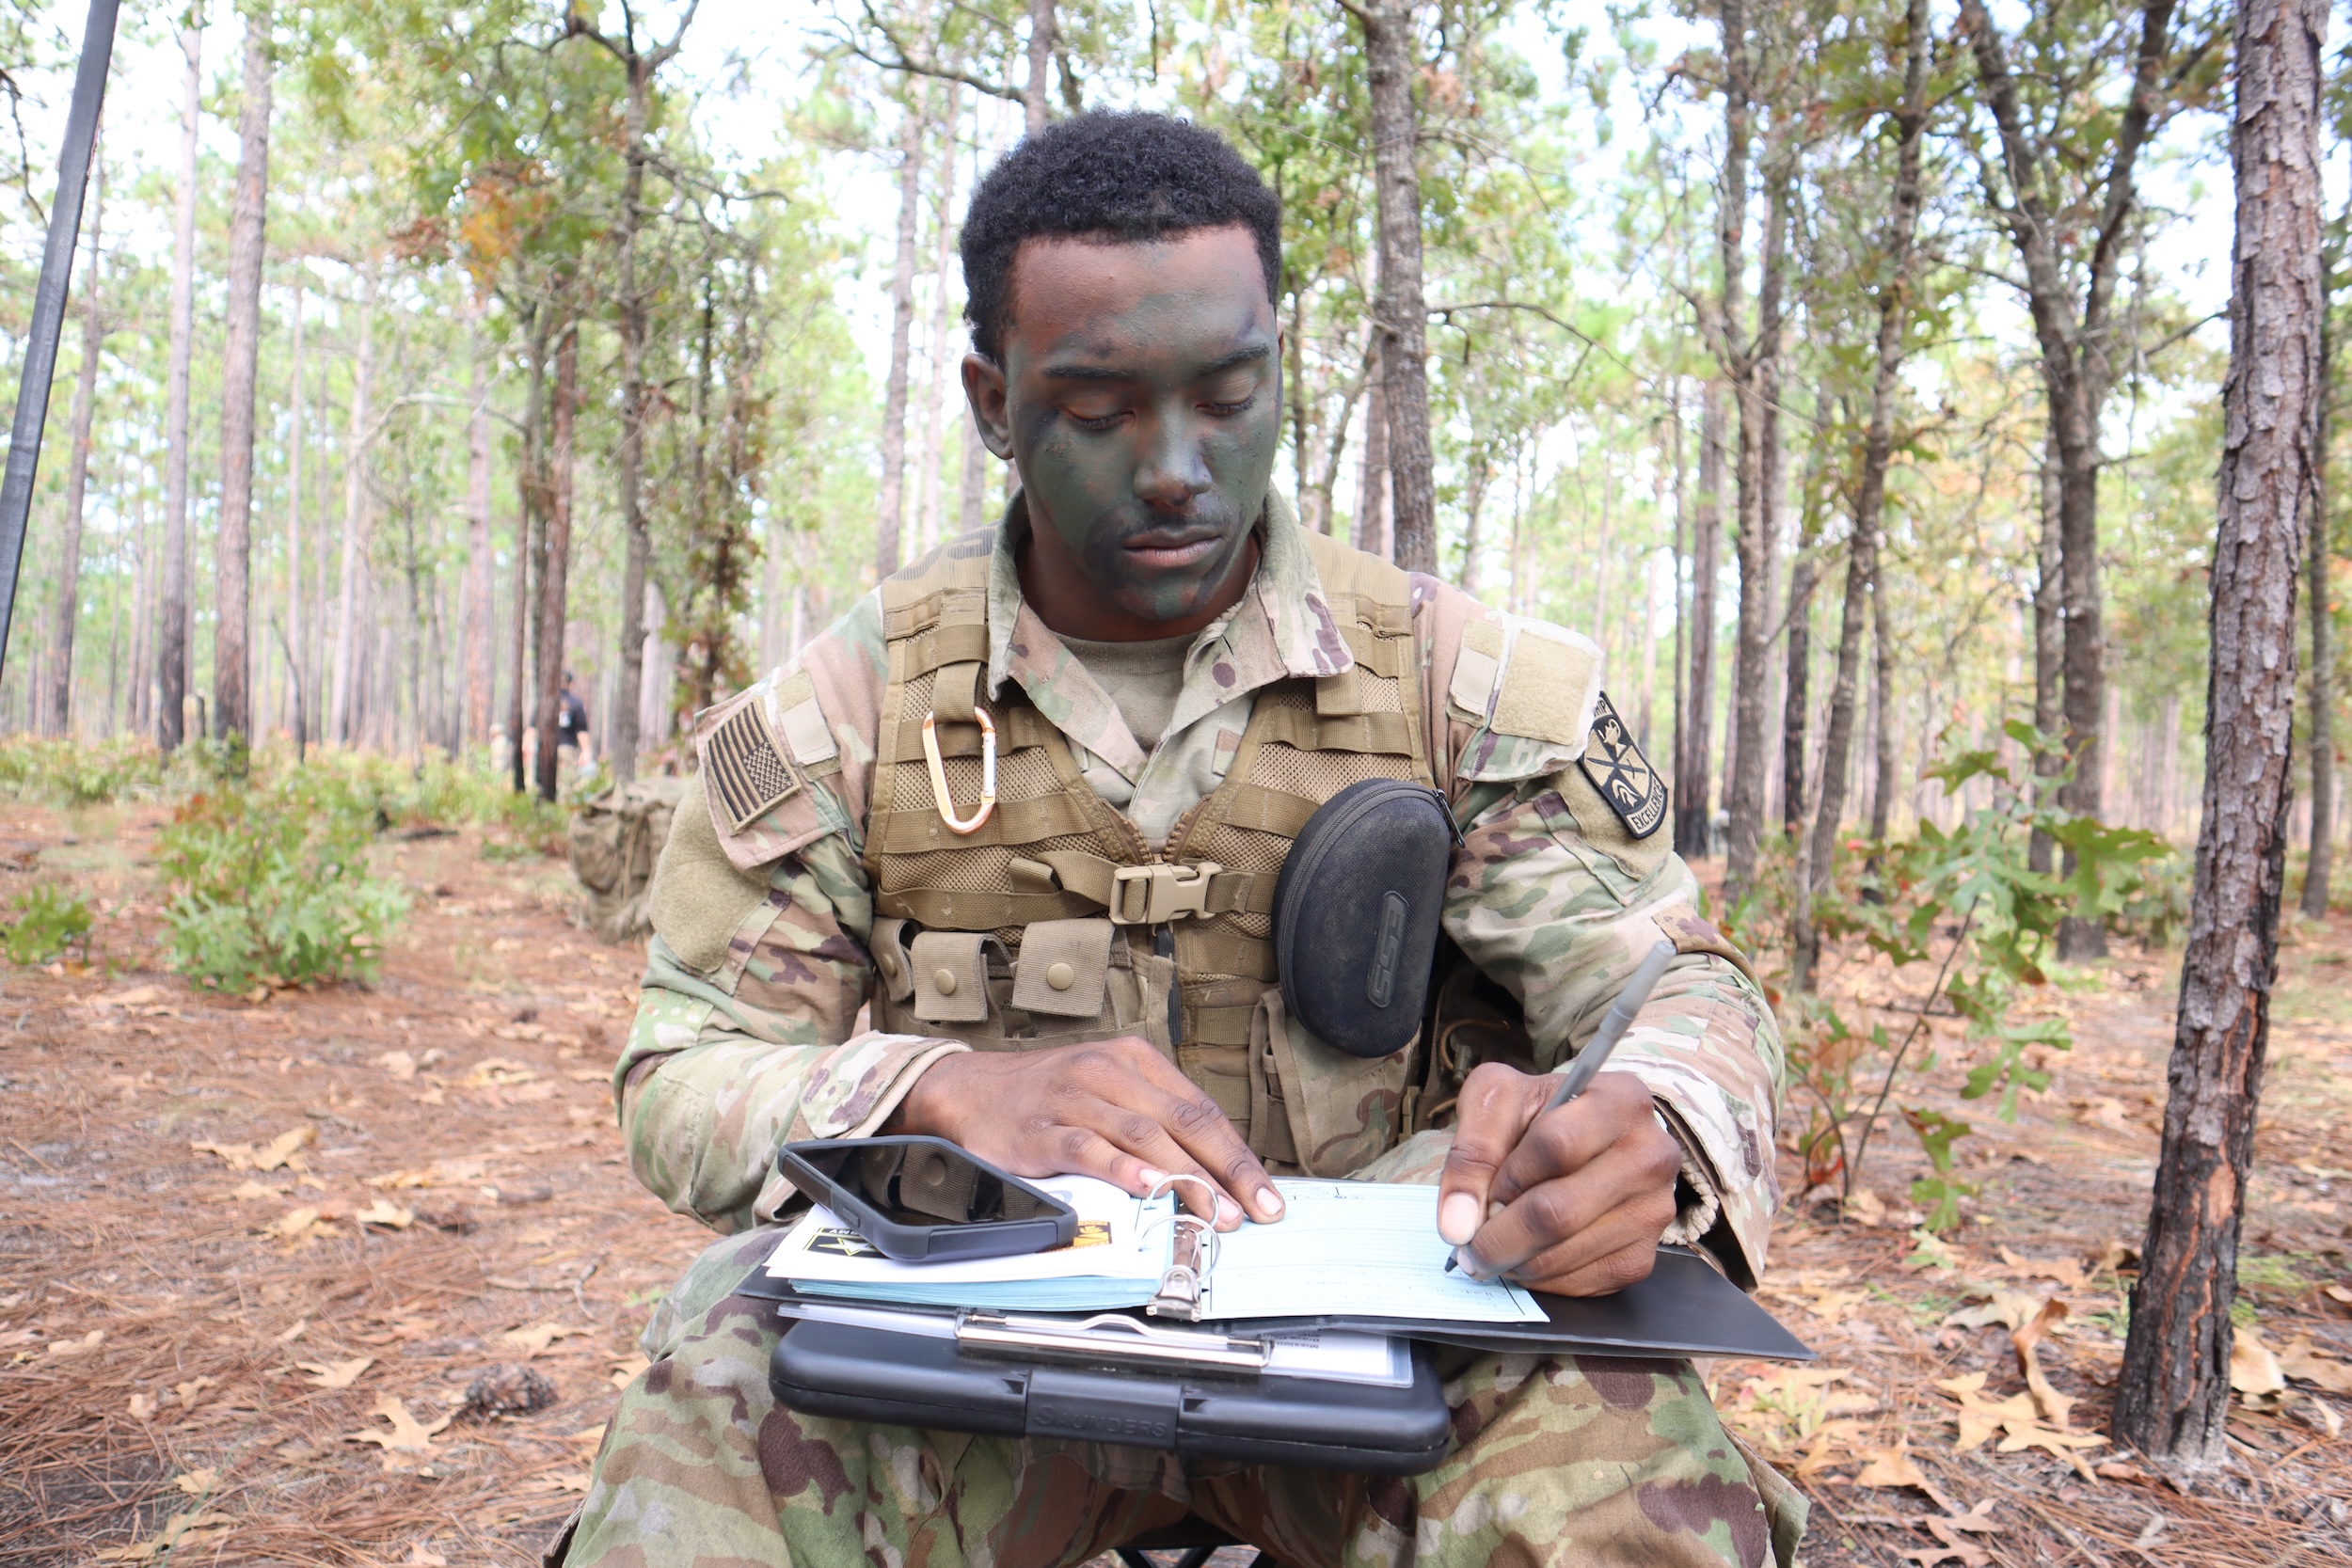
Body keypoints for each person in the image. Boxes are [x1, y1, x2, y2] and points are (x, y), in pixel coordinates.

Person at [561, 112, 1799, 1568]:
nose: (1174, 469)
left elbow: (1682, 993)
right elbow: (685, 1069)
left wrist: (1641, 1126)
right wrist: (937, 1090)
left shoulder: (1459, 691)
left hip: (1393, 1353)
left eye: (1228, 395)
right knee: (708, 1411)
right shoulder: (851, 712)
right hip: (974, 1356)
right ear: (991, 399)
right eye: (1094, 411)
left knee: (1625, 1498)